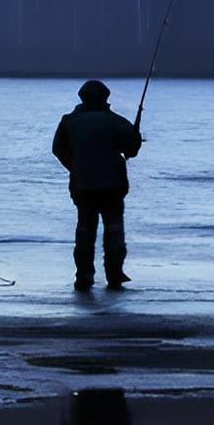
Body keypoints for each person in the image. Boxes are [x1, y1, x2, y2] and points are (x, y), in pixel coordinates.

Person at [51, 79, 141, 289]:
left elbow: (57, 149)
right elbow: (132, 150)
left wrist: (74, 167)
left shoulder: (69, 121)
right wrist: (135, 137)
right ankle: (115, 274)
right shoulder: (116, 122)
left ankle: (84, 275)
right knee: (114, 230)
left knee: (84, 230)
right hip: (112, 186)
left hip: (83, 186)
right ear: (105, 98)